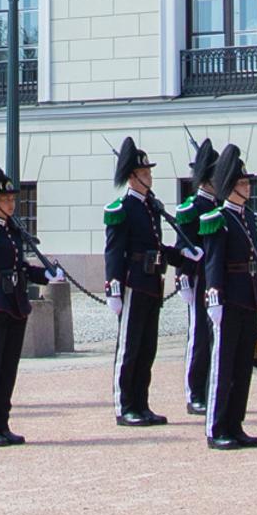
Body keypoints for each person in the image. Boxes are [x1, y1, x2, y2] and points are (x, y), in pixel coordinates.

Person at [0, 165, 51, 445]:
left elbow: (21, 267)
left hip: (14, 302)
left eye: (13, 199)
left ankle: (2, 422)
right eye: (6, 200)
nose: (11, 204)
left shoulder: (11, 231)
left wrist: (45, 274)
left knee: (8, 368)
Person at [195, 155, 257, 450]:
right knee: (223, 365)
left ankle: (235, 423)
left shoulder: (249, 217)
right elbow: (214, 263)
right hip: (228, 296)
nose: (246, 186)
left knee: (241, 366)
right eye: (240, 182)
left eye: (247, 181)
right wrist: (214, 297)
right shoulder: (219, 219)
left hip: (247, 294)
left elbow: (255, 262)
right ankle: (216, 426)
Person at [98, 138, 170, 427]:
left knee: (147, 346)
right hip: (132, 282)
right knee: (129, 347)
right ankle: (125, 404)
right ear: (132, 177)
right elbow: (114, 251)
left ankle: (141, 402)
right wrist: (113, 287)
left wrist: (183, 255)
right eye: (145, 173)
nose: (149, 177)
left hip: (152, 282)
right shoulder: (123, 208)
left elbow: (157, 245)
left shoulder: (151, 207)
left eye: (150, 172)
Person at [176, 140, 223, 417]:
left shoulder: (221, 207)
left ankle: (213, 387)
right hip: (199, 278)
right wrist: (183, 278)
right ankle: (195, 392)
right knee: (200, 336)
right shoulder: (191, 209)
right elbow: (183, 247)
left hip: (218, 278)